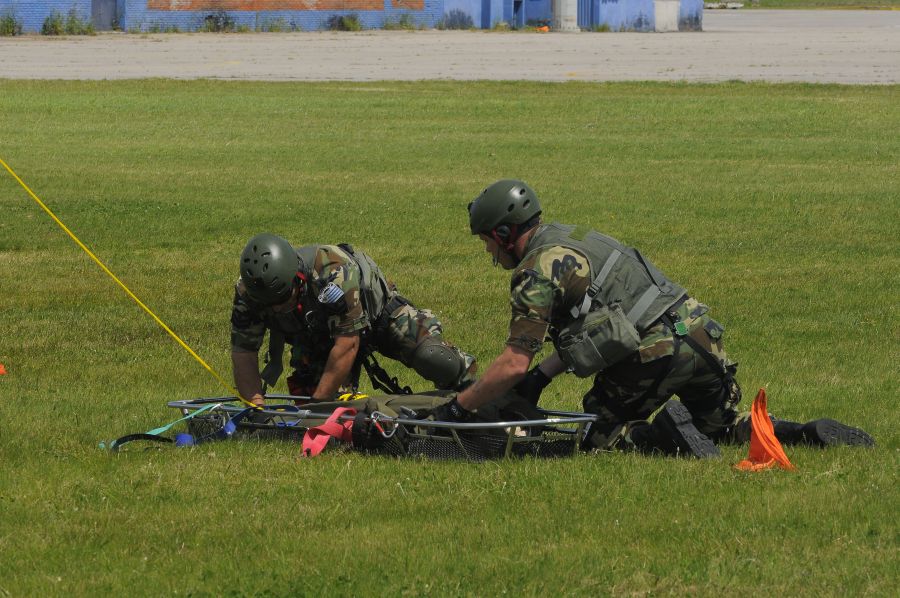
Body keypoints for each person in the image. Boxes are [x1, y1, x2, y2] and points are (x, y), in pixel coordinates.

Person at [428, 179, 873, 457]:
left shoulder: (536, 271)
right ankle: (802, 433)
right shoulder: (578, 238)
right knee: (720, 428)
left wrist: (458, 408)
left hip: (656, 352)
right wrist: (543, 378)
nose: (487, 251)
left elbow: (511, 364)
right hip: (701, 336)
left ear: (504, 234)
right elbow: (598, 321)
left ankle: (658, 435)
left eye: (487, 241)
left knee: (597, 436)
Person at [231, 233, 476, 406]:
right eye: (269, 304)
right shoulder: (248, 292)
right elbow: (243, 351)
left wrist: (318, 404)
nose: (277, 308)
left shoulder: (333, 272)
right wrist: (255, 408)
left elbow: (348, 342)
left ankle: (476, 393)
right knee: (317, 407)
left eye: (283, 298)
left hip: (381, 317)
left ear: (298, 277)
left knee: (435, 358)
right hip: (320, 337)